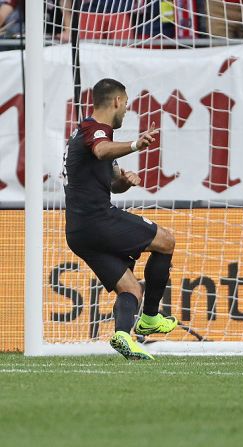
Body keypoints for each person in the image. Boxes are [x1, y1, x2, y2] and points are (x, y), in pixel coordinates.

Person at [63, 78, 178, 360]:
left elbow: (112, 180)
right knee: (166, 240)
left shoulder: (85, 134)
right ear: (116, 101)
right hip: (97, 220)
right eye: (126, 103)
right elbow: (102, 150)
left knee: (130, 287)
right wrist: (137, 144)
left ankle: (124, 336)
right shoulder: (97, 130)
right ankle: (150, 317)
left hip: (78, 231)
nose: (126, 110)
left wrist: (125, 181)